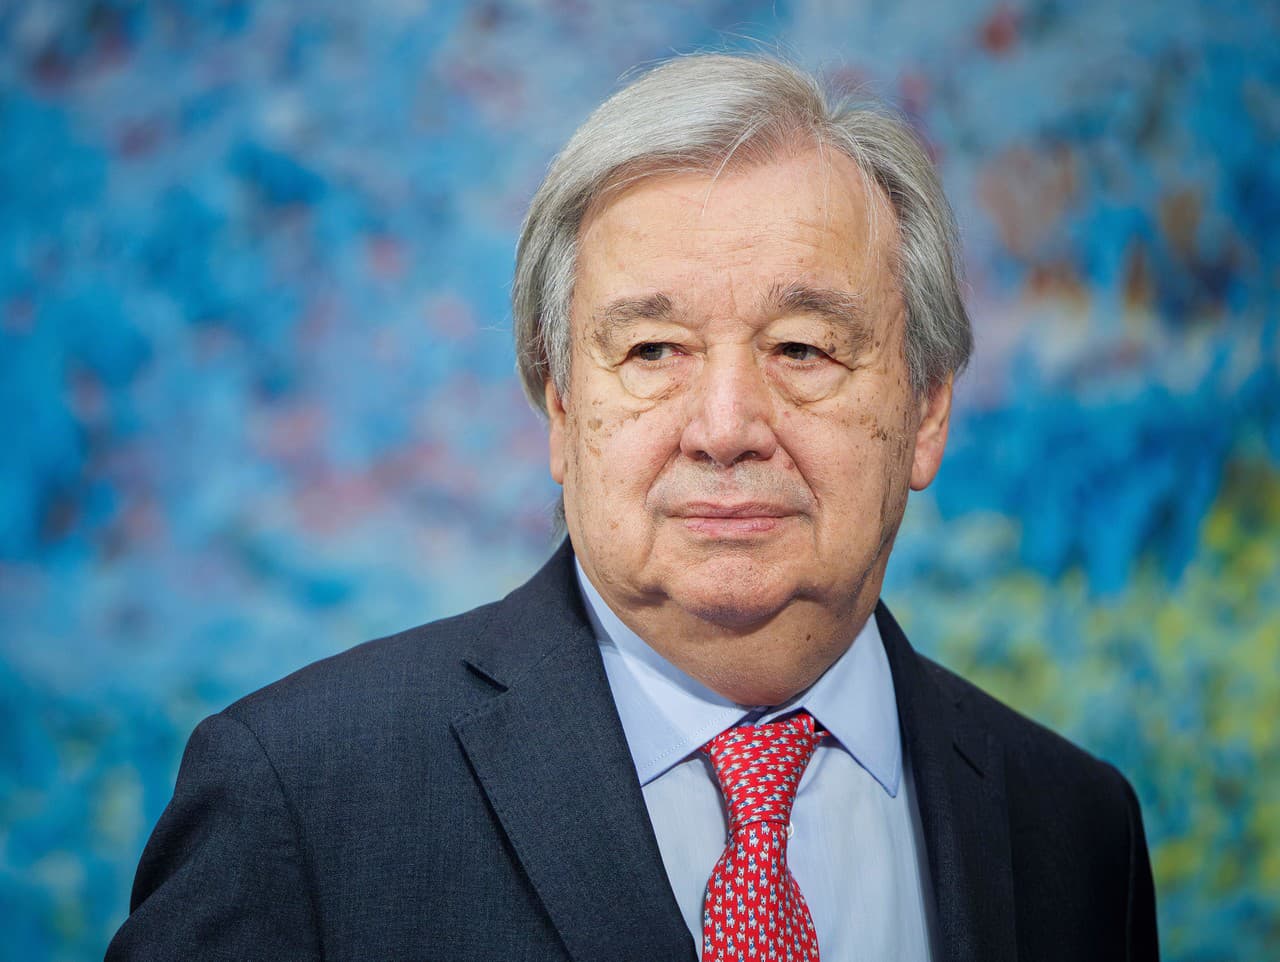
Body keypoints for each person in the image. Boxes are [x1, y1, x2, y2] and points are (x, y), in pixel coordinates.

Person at [107, 54, 1158, 962]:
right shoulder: (300, 796)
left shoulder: (1073, 826)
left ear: (925, 411)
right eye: (653, 350)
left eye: (803, 347)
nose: (725, 426)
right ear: (562, 410)